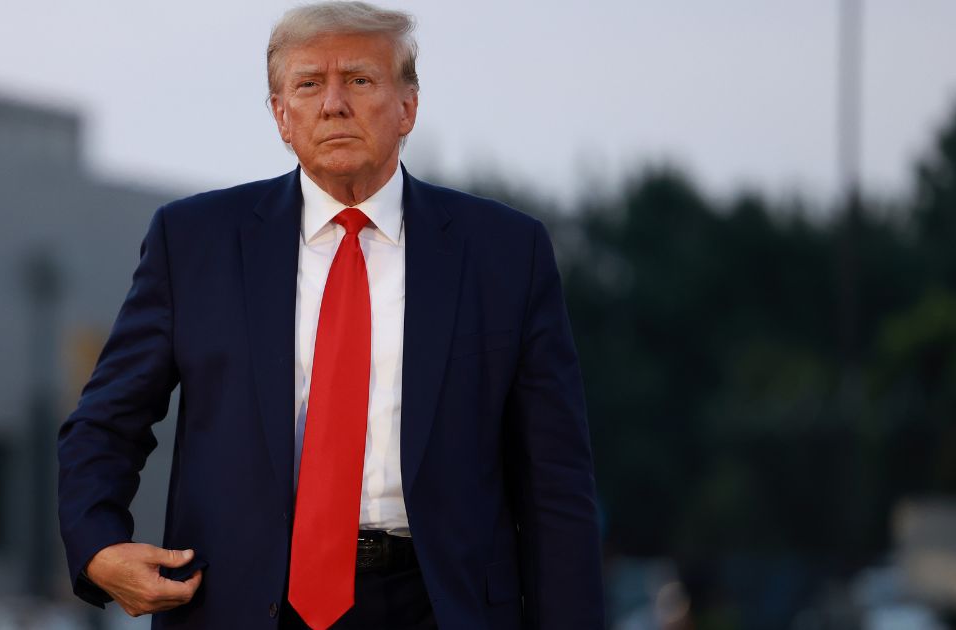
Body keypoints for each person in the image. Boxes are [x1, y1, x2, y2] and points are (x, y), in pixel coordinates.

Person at [56, 2, 603, 628]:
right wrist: (98, 545)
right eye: (309, 84)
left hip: (441, 604)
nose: (334, 104)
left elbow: (556, 479)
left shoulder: (505, 253)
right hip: (243, 603)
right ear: (280, 116)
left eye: (360, 81)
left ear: (408, 108)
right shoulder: (195, 243)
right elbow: (105, 422)